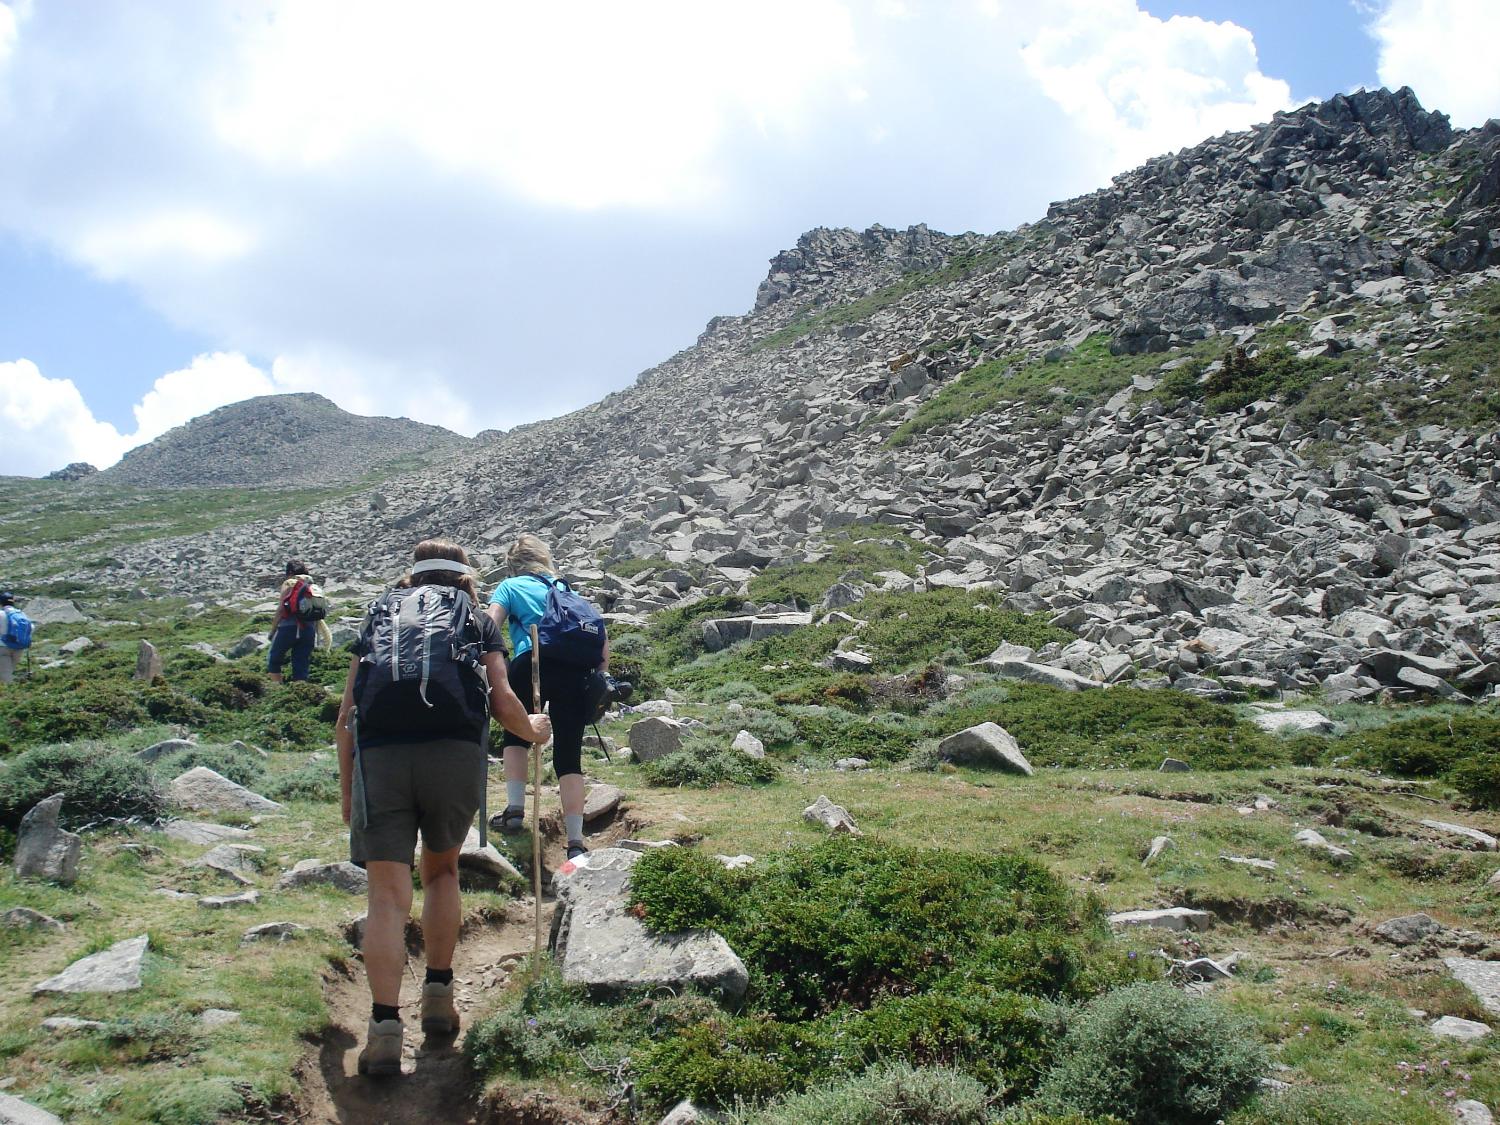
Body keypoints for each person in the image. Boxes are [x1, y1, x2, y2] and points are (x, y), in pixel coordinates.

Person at [336, 538, 551, 1077]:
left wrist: (348, 790)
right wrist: (533, 730)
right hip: (453, 754)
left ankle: (384, 1027)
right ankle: (438, 996)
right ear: (464, 577)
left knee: (386, 895)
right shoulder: (476, 618)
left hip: (380, 758)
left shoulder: (380, 613)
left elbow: (348, 717)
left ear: (413, 575)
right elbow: (501, 697)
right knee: (442, 871)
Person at [485, 534, 607, 862]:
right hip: (574, 672)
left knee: (516, 732)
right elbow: (600, 640)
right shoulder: (566, 589)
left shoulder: (510, 587)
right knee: (569, 755)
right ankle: (577, 841)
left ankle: (514, 810)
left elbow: (489, 628)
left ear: (513, 565)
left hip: (532, 661)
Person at [267, 559, 328, 682]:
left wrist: (272, 631)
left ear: (289, 572)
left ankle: (276, 692)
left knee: (273, 660)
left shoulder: (289, 583)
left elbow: (280, 610)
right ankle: (300, 693)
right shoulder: (312, 585)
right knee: (301, 664)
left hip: (288, 628)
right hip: (309, 630)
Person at [0, 591, 30, 685]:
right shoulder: (21, 614)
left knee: (6, 676)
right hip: (18, 647)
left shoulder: (1, 614)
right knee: (9, 671)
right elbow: (31, 628)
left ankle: (9, 696)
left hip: (3, 647)